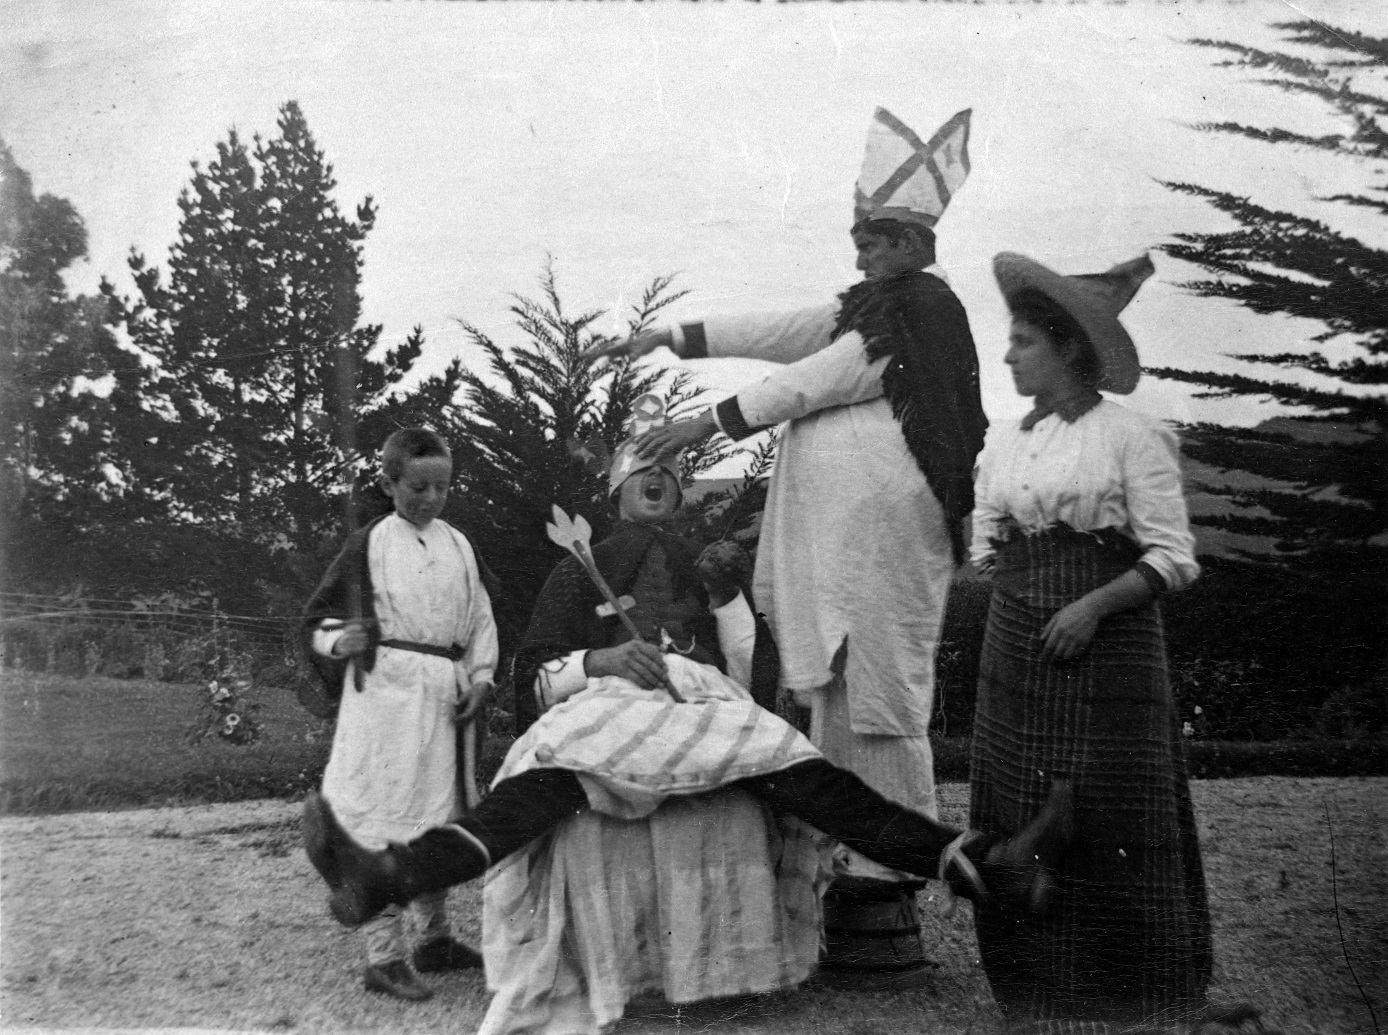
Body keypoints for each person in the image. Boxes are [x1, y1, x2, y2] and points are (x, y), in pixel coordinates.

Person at [299, 409, 1076, 1022]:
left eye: (668, 482)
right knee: (542, 787)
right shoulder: (580, 570)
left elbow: (748, 670)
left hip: (700, 704)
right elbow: (533, 672)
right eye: (643, 480)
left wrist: (729, 596)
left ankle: (978, 862)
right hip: (603, 708)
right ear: (614, 494)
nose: (657, 493)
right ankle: (386, 875)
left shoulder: (704, 567)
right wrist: (599, 662)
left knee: (804, 773)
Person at [583, 108, 988, 962]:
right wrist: (676, 335)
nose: (858, 254)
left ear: (913, 242)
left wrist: (708, 424)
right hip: (841, 544)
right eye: (857, 238)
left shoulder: (920, 312)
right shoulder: (873, 304)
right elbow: (786, 330)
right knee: (835, 685)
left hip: (887, 540)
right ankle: (854, 847)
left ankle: (893, 864)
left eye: (872, 239)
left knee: (878, 692)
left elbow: (819, 377)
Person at [969, 251, 1213, 1031]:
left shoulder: (1133, 436)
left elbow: (1173, 556)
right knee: (1018, 801)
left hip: (1110, 638)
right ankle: (1033, 985)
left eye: (1021, 341)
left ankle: (1131, 987)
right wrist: (1016, 583)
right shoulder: (1003, 441)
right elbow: (983, 540)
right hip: (1015, 639)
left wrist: (1090, 606)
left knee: (1106, 802)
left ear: (1068, 348)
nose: (1006, 355)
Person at [301, 427, 497, 1002]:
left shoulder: (458, 544)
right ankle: (383, 956)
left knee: (439, 817)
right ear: (388, 484)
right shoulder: (369, 543)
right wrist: (343, 641)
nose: (430, 498)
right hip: (385, 696)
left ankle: (433, 937)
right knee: (382, 817)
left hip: (444, 695)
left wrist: (482, 677)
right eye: (417, 487)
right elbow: (318, 620)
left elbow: (481, 617)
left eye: (442, 486)